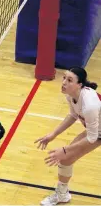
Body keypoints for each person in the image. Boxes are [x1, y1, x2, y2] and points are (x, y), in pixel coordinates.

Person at [36, 67, 100, 206]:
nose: (64, 82)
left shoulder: (90, 105)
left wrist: (65, 149)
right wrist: (53, 134)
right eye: (64, 77)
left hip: (95, 134)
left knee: (65, 154)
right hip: (96, 132)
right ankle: (62, 194)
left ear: (80, 84)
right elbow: (73, 115)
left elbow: (92, 138)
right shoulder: (70, 94)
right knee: (66, 159)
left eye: (69, 80)